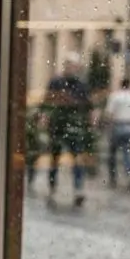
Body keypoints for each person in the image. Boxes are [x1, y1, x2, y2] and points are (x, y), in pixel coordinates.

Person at [44, 51, 91, 207]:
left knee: (77, 158)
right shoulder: (56, 82)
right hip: (57, 127)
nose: (72, 68)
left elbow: (87, 105)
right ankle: (52, 188)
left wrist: (88, 121)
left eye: (74, 65)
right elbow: (48, 100)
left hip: (74, 129)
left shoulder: (81, 85)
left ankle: (78, 190)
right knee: (54, 159)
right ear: (65, 65)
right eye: (69, 64)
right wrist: (46, 117)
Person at [104, 76, 130, 189]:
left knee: (112, 153)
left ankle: (113, 177)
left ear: (121, 85)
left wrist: (108, 127)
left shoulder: (115, 96)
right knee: (127, 152)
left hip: (117, 125)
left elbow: (109, 113)